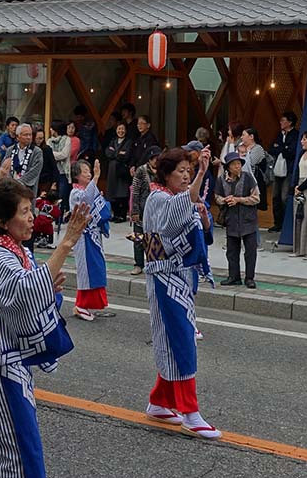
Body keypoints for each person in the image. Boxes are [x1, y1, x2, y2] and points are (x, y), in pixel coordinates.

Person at [0, 181, 87, 478]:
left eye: (31, 210)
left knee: (2, 443)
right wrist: (66, 244)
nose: (31, 217)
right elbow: (25, 291)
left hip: (6, 357)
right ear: (3, 221)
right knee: (14, 448)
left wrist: (47, 288)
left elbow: (26, 293)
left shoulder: (15, 251)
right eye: (24, 212)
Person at [142, 147, 218, 437]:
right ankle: (190, 412)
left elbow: (200, 228)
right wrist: (200, 177)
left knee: (175, 338)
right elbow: (175, 217)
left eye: (189, 171)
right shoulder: (158, 198)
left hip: (179, 275)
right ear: (166, 174)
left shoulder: (177, 198)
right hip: (164, 275)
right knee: (181, 339)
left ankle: (159, 401)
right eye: (181, 171)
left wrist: (203, 216)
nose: (186, 176)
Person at [69, 159, 111, 320]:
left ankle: (83, 304)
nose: (89, 174)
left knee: (95, 268)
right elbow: (87, 202)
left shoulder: (86, 190)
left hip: (92, 235)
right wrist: (96, 179)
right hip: (84, 236)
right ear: (77, 176)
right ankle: (81, 304)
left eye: (89, 171)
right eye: (85, 171)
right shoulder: (76, 193)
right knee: (87, 271)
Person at [216, 151, 260, 287]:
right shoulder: (221, 180)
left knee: (250, 251)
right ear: (228, 167)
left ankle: (249, 278)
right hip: (231, 219)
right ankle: (233, 276)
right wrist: (225, 200)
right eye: (234, 164)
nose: (237, 166)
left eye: (239, 164)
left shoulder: (248, 178)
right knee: (232, 251)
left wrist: (239, 200)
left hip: (248, 219)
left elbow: (256, 198)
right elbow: (217, 197)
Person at [129, 145, 161, 275]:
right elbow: (135, 191)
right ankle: (138, 264)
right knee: (138, 238)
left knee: (154, 237)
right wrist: (135, 210)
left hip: (156, 210)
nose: (156, 161)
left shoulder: (162, 171)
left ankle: (153, 263)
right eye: (154, 158)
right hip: (142, 208)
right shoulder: (141, 171)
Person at [267, 111, 299, 234]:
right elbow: (272, 149)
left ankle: (286, 224)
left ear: (290, 122)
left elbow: (291, 152)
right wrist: (283, 147)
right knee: (275, 197)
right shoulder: (279, 134)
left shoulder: (295, 135)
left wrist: (280, 147)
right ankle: (277, 223)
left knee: (285, 197)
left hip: (288, 170)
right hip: (277, 169)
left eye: (283, 120)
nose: (280, 122)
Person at [1, 122, 43, 206]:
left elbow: (34, 171)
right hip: (11, 190)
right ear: (18, 137)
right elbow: (4, 167)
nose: (29, 137)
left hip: (27, 190)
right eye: (25, 135)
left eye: (30, 135)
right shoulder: (10, 150)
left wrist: (18, 184)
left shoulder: (37, 152)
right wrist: (10, 183)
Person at [104, 121, 134, 222]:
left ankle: (122, 215)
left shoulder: (129, 142)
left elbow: (126, 156)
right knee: (112, 192)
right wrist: (118, 153)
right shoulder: (113, 140)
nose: (121, 131)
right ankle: (115, 214)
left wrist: (115, 153)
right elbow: (108, 152)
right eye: (119, 129)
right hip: (112, 171)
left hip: (122, 171)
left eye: (122, 129)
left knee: (122, 192)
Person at [47, 120, 72, 208]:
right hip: (52, 173)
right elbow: (48, 154)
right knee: (51, 197)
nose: (50, 130)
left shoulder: (67, 140)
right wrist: (53, 155)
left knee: (62, 197)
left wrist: (51, 154)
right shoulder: (49, 141)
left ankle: (60, 214)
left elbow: (64, 155)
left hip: (63, 173)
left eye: (52, 128)